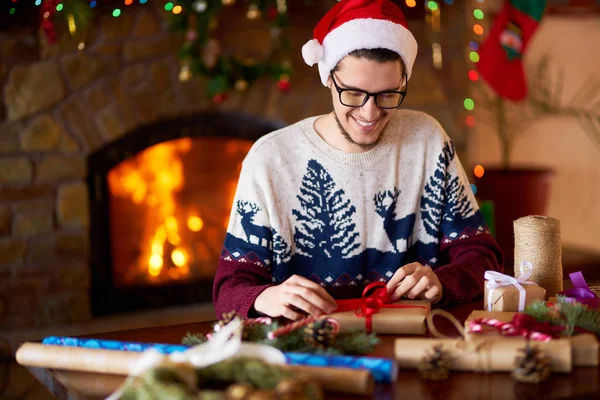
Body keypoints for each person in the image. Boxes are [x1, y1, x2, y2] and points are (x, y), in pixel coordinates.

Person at [213, 0, 503, 320]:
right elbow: (228, 290)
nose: (370, 113)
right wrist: (265, 297)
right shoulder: (269, 158)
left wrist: (443, 281)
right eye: (352, 94)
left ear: (404, 83)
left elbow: (483, 257)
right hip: (308, 349)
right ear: (328, 79)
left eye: (387, 95)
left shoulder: (428, 140)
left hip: (413, 342)